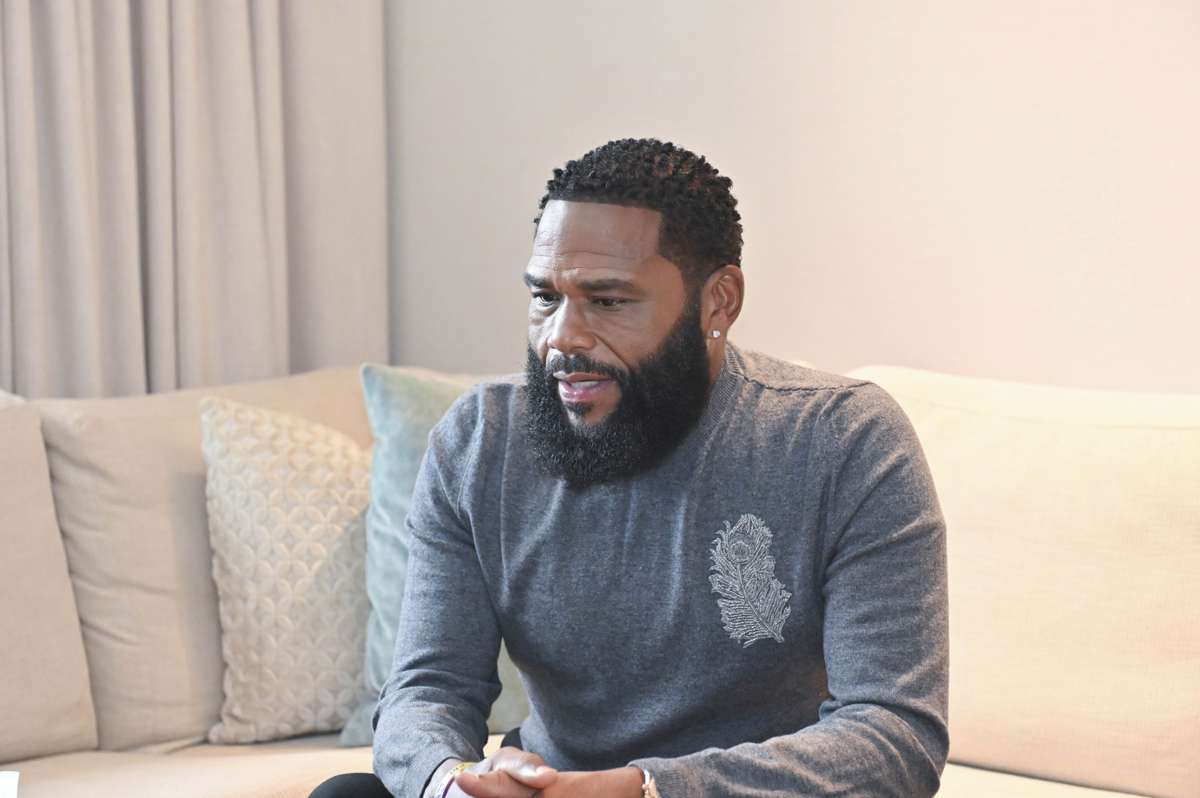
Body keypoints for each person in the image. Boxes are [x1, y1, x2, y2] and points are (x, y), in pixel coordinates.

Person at [310, 137, 949, 798]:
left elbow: (894, 736)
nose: (562, 337)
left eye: (609, 301)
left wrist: (645, 789)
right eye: (545, 297)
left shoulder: (843, 440)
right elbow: (428, 691)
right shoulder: (480, 441)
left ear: (719, 302)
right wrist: (453, 784)